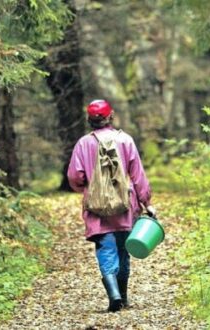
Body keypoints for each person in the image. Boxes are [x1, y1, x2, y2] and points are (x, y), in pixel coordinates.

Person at [67, 99, 156, 312]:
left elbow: (75, 176)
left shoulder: (84, 144)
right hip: (126, 206)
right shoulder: (125, 140)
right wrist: (147, 202)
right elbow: (138, 176)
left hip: (97, 210)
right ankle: (123, 296)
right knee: (124, 250)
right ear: (111, 116)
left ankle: (113, 295)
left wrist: (87, 188)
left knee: (106, 249)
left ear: (89, 120)